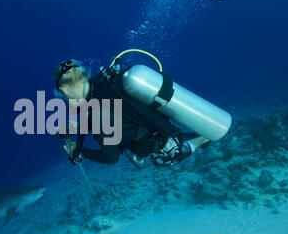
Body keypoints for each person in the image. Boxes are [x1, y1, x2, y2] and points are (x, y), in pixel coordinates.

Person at [52, 59, 210, 169]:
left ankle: (203, 138)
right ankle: (196, 134)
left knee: (162, 160)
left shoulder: (98, 113)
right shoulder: (101, 84)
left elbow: (110, 158)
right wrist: (74, 129)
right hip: (157, 126)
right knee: (174, 137)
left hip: (159, 143)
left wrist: (82, 153)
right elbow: (114, 118)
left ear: (64, 90)